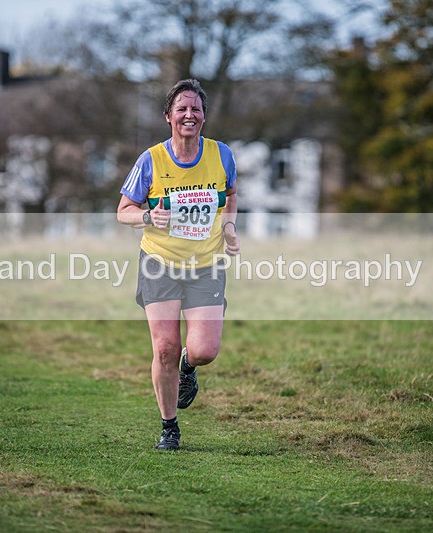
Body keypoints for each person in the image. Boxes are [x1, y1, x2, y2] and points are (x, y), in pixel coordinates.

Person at [117, 79, 240, 451]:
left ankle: (189, 369)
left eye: (196, 109)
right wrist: (148, 218)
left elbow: (231, 196)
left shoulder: (222, 155)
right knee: (165, 347)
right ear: (168, 116)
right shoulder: (151, 160)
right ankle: (169, 427)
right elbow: (123, 212)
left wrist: (230, 226)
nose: (190, 114)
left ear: (204, 116)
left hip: (205, 265)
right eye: (182, 108)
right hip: (160, 263)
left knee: (204, 350)